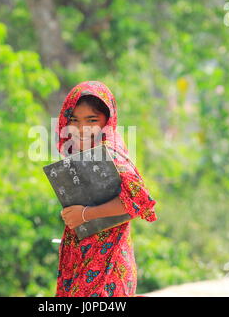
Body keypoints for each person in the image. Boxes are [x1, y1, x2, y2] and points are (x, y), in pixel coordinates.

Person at [55, 80, 158, 297]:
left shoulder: (111, 153)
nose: (82, 128)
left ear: (107, 121)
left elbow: (139, 202)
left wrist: (84, 214)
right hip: (82, 260)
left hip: (108, 268)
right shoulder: (83, 154)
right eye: (74, 120)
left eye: (91, 120)